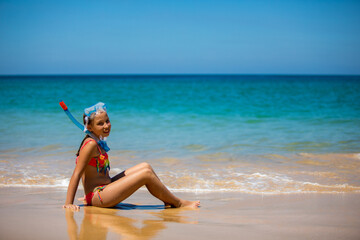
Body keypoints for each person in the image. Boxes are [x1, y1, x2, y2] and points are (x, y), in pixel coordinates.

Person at [62, 102, 200, 211]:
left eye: (107, 121)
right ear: (90, 127)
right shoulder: (90, 144)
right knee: (145, 174)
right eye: (100, 123)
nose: (106, 126)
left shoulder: (98, 141)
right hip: (98, 196)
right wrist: (69, 203)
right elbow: (77, 174)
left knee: (145, 166)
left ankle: (167, 200)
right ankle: (178, 202)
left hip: (106, 187)